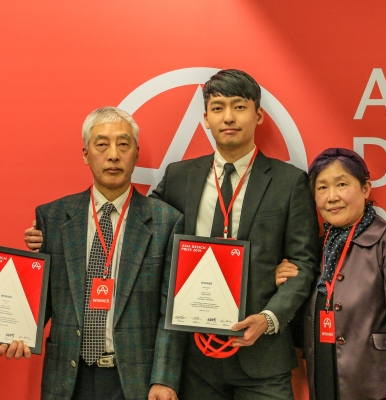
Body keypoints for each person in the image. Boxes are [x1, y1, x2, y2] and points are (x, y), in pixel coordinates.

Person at [27, 70, 320, 398]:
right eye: (218, 108)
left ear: (259, 115)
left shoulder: (289, 182)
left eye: (239, 107)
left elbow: (304, 264)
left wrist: (268, 317)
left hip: (261, 357)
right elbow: (135, 224)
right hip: (194, 359)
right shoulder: (179, 177)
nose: (228, 117)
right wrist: (47, 237)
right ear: (205, 118)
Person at [8, 107, 185, 400]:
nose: (113, 155)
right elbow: (42, 301)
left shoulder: (166, 221)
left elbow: (171, 311)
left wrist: (164, 379)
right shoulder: (53, 218)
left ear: (136, 154)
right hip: (68, 379)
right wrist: (14, 332)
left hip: (136, 381)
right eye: (102, 144)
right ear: (85, 154)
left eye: (123, 144)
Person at [276, 148, 386, 400]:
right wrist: (286, 284)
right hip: (324, 379)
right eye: (322, 188)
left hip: (377, 387)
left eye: (342, 184)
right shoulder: (316, 249)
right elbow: (302, 326)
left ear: (365, 188)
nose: (332, 197)